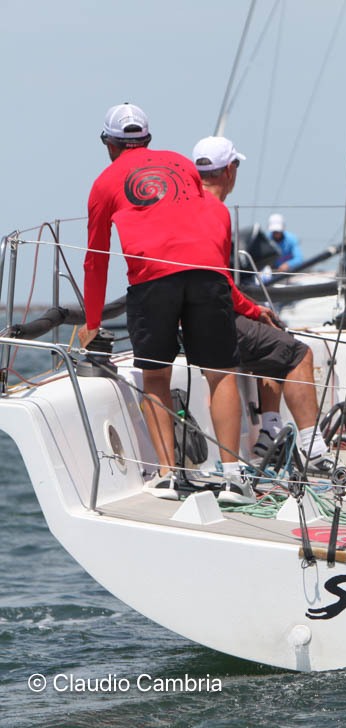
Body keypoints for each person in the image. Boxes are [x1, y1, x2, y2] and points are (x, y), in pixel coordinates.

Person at [78, 103, 246, 497]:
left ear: (108, 143)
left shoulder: (104, 183)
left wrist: (92, 322)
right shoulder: (180, 163)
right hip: (208, 271)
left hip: (153, 278)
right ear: (147, 138)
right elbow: (208, 210)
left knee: (156, 375)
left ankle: (169, 475)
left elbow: (95, 261)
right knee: (220, 372)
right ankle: (236, 479)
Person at [191, 136, 338, 474]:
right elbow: (218, 281)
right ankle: (314, 449)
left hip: (184, 316)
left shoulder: (184, 206)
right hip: (211, 319)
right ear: (229, 171)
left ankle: (270, 430)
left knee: (270, 341)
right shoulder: (215, 211)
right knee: (298, 353)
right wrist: (253, 308)